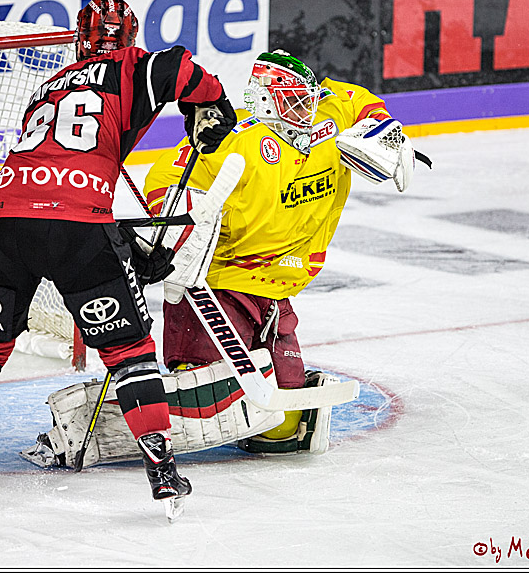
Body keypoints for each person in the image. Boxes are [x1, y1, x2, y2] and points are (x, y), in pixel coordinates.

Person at [0, 0, 237, 517]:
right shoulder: (130, 67)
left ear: (80, 39)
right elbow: (177, 66)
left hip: (4, 221)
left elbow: (59, 168)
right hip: (78, 227)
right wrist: (213, 104)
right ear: (127, 38)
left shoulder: (47, 88)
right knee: (129, 351)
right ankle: (163, 470)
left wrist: (124, 247)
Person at [144, 49, 428, 454]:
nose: (305, 111)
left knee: (279, 429)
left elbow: (355, 99)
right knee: (209, 401)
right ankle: (143, 413)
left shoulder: (325, 118)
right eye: (293, 102)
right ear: (263, 100)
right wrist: (185, 221)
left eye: (306, 99)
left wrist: (385, 130)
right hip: (219, 285)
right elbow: (164, 177)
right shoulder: (234, 138)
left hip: (277, 290)